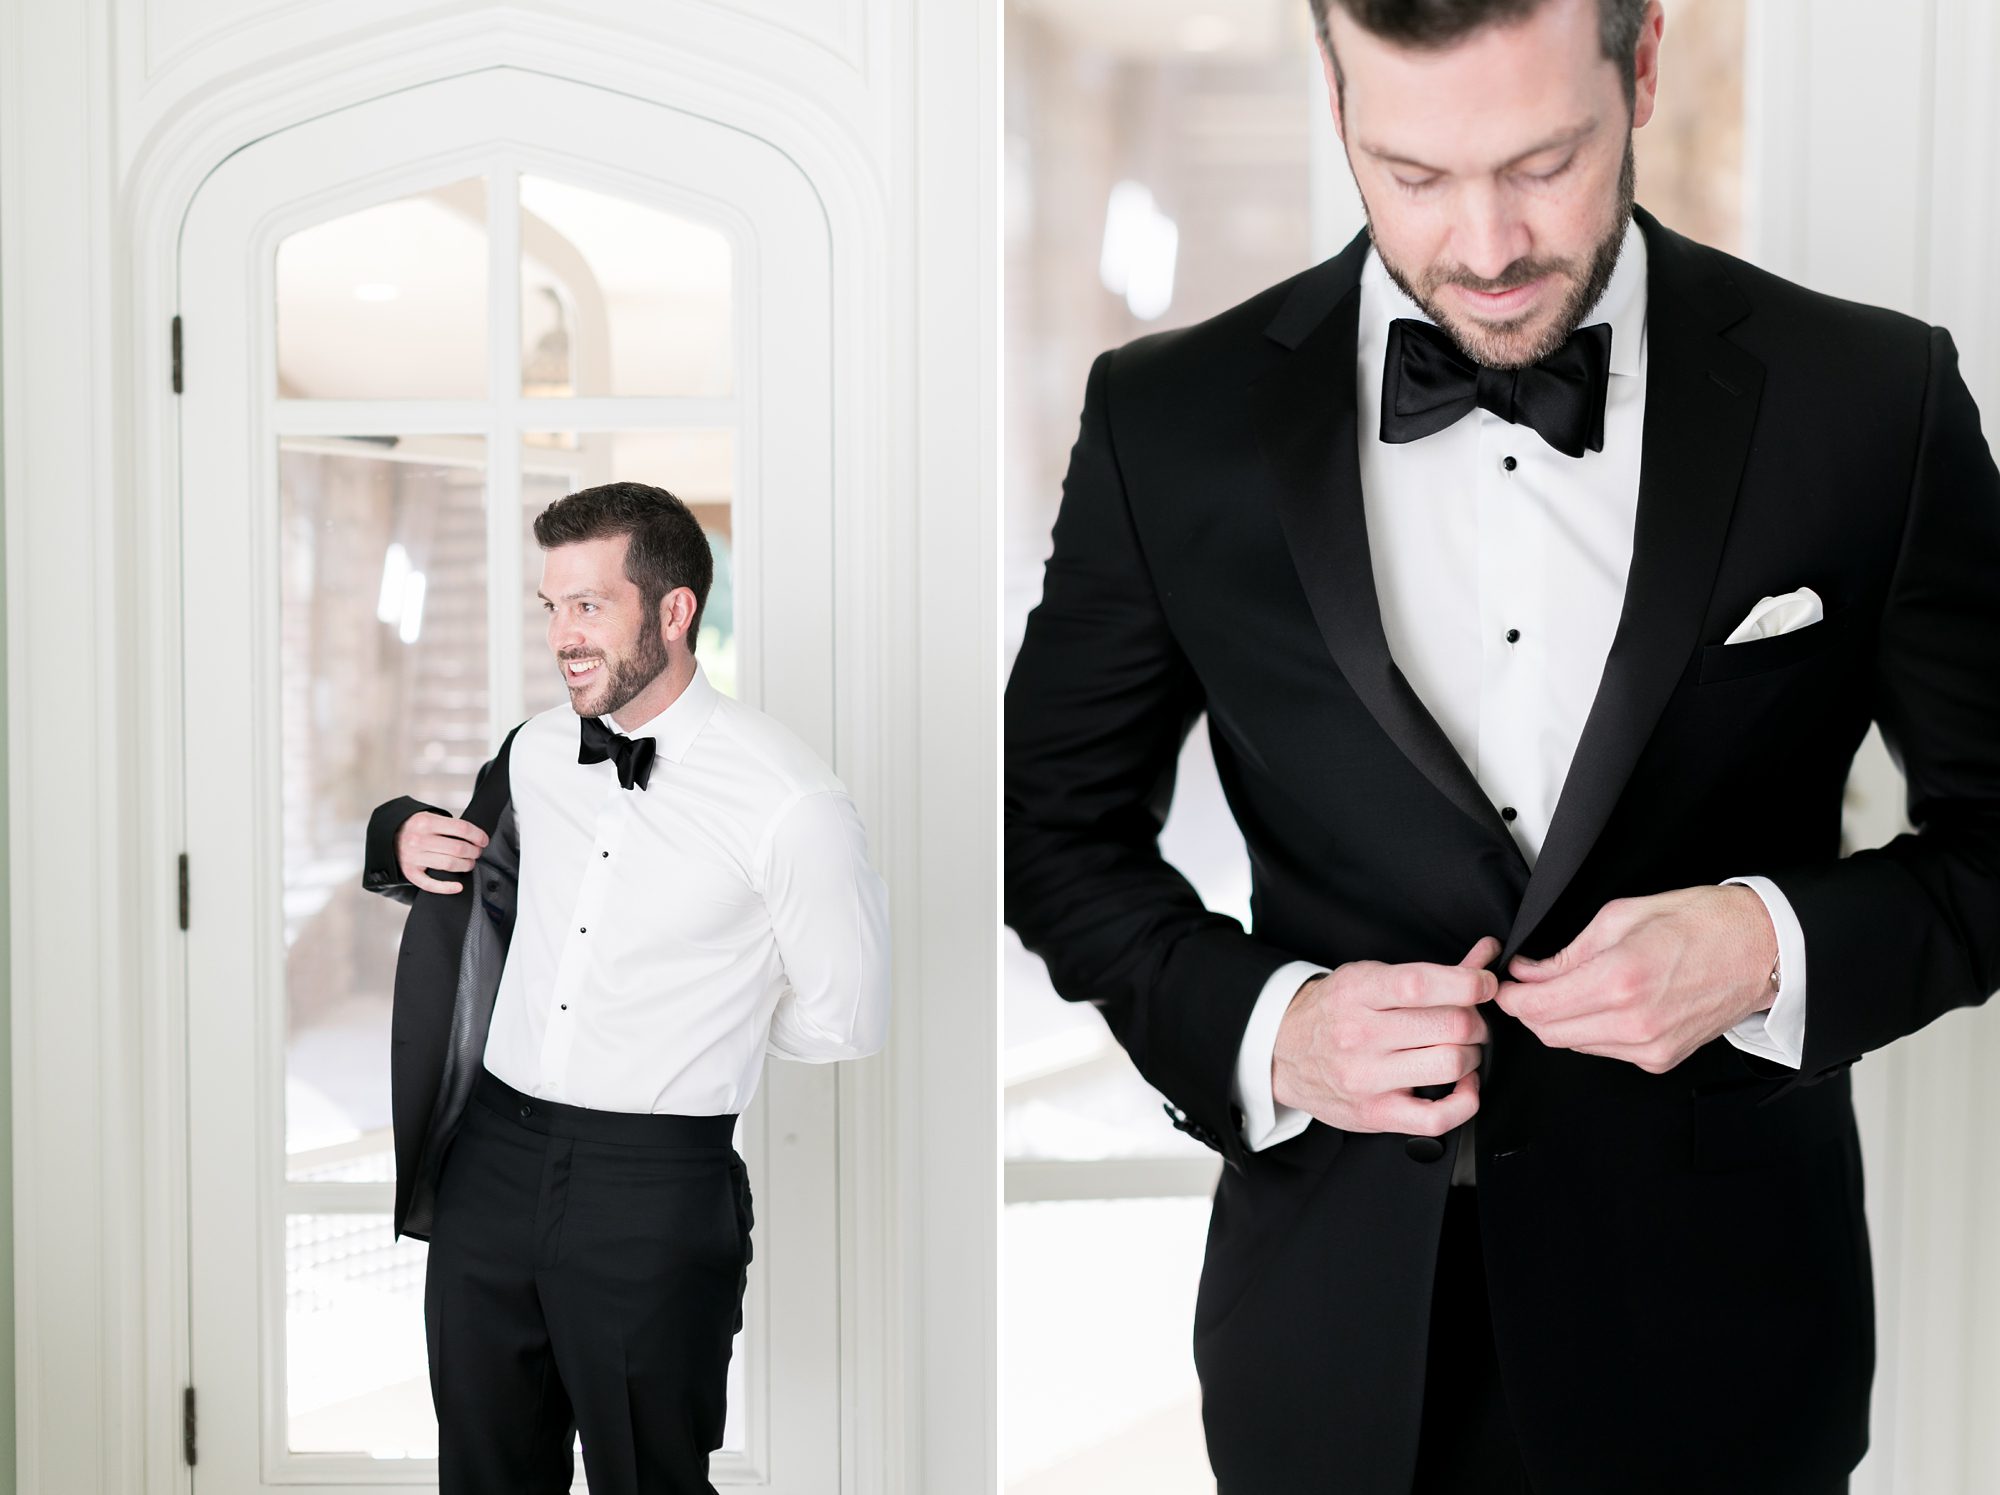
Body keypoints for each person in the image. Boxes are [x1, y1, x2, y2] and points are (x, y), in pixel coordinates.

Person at [1002, 0, 2000, 1491]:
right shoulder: (1167, 422)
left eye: (1543, 163)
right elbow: (1048, 831)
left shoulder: (1870, 399)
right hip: (1331, 1351)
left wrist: (1764, 948)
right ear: (1334, 94)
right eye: (1413, 174)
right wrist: (1276, 1029)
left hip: (1723, 1341)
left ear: (1640, 64)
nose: (1483, 246)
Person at [362, 481, 891, 1495]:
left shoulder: (792, 804)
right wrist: (395, 833)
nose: (563, 635)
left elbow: (847, 1017)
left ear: (673, 610)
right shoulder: (534, 752)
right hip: (491, 1163)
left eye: (589, 605)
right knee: (480, 1474)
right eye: (552, 606)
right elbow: (453, 862)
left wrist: (715, 1012)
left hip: (654, 1190)